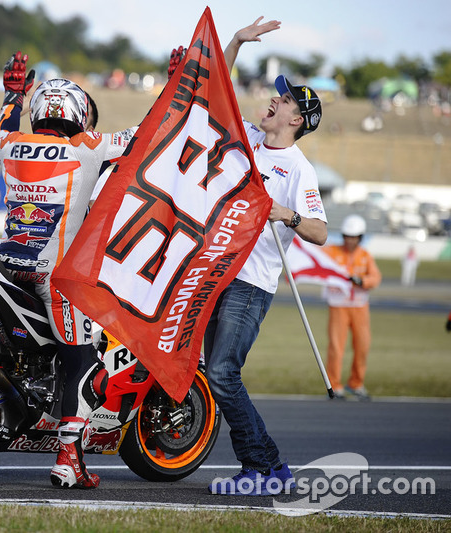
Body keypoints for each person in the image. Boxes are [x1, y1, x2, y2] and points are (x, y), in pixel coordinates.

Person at [0, 51, 137, 488]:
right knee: (83, 362)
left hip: (5, 266)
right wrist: (179, 85)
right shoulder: (87, 147)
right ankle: (69, 459)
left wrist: (13, 96)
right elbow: (151, 133)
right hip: (54, 277)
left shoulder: (11, 143)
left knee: (0, 355)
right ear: (78, 113)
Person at [192, 17, 328, 496]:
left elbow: (320, 231)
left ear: (297, 120)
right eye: (279, 94)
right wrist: (234, 42)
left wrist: (283, 212)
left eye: (286, 99)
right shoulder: (248, 138)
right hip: (214, 272)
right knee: (204, 369)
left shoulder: (298, 169)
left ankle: (265, 468)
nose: (275, 99)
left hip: (250, 284)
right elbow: (214, 94)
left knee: (223, 373)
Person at [323, 214, 382, 400]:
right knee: (336, 346)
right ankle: (334, 386)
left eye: (354, 236)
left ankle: (356, 384)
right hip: (338, 306)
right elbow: (317, 261)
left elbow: (376, 278)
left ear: (360, 238)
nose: (350, 240)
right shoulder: (332, 251)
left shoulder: (365, 256)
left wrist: (361, 280)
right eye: (347, 236)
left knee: (362, 346)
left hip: (359, 307)